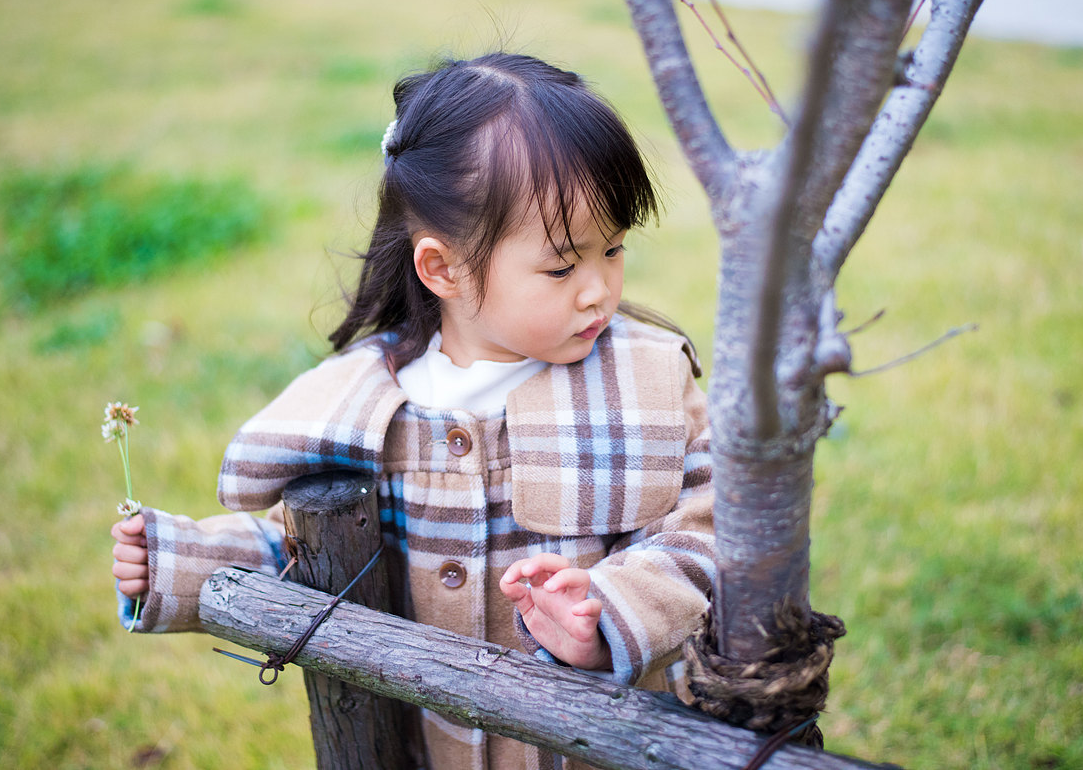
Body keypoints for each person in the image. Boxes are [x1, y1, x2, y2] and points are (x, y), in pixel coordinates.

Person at [111, 52, 714, 770]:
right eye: (562, 266)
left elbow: (709, 529)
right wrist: (177, 564)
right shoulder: (369, 408)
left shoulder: (647, 385)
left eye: (613, 250)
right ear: (443, 269)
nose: (598, 290)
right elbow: (308, 549)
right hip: (428, 752)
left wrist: (609, 613)